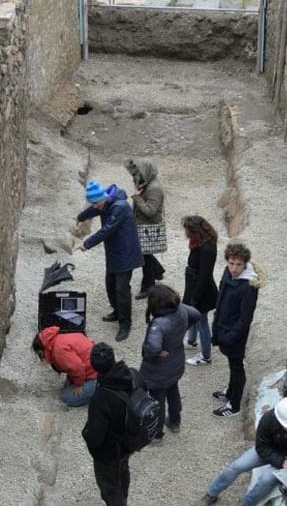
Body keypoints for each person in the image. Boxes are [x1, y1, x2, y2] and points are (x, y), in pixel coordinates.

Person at [198, 396, 287, 506]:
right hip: (269, 450)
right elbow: (261, 447)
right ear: (279, 418)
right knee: (237, 466)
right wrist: (282, 462)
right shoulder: (268, 419)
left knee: (266, 479)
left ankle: (248, 504)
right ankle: (212, 494)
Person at [76, 181, 144, 342]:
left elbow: (106, 230)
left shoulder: (119, 207)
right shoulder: (106, 202)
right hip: (114, 252)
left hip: (125, 253)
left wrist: (86, 244)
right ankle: (117, 311)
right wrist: (80, 217)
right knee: (110, 284)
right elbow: (94, 209)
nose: (96, 206)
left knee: (122, 289)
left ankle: (125, 323)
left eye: (96, 203)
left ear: (102, 198)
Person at [83, 343, 142, 506]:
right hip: (128, 442)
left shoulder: (101, 398)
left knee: (110, 487)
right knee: (123, 472)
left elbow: (95, 436)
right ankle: (124, 498)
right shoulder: (133, 375)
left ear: (94, 366)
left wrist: (85, 434)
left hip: (109, 452)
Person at [140, 284, 200, 442]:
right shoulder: (180, 309)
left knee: (157, 400)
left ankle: (156, 434)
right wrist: (182, 332)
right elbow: (196, 314)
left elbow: (152, 348)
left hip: (158, 371)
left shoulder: (159, 324)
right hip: (176, 362)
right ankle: (175, 421)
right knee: (173, 391)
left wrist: (158, 352)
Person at [210, 242, 263, 417]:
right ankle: (230, 391)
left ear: (245, 264)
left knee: (237, 366)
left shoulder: (248, 287)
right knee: (232, 365)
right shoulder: (228, 273)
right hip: (223, 328)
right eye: (231, 263)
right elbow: (221, 298)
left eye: (238, 264)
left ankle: (234, 404)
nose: (234, 268)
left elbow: (245, 318)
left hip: (234, 334)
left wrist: (231, 336)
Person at [125, 158, 166, 299]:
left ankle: (148, 286)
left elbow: (150, 211)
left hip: (148, 227)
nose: (135, 177)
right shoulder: (145, 182)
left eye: (138, 173)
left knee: (144, 257)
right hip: (141, 225)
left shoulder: (154, 189)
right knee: (144, 254)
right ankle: (158, 270)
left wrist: (137, 197)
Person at [181, 215, 218, 367]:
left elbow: (204, 276)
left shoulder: (206, 249)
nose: (186, 234)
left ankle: (206, 356)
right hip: (194, 286)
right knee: (194, 316)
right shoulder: (201, 243)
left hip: (201, 291)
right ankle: (191, 341)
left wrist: (195, 298)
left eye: (188, 231)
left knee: (202, 321)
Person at [32, 326, 99, 407]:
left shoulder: (58, 351)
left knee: (67, 398)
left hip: (97, 375)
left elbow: (78, 367)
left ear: (41, 351)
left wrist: (79, 385)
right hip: (95, 366)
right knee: (66, 389)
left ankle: (100, 391)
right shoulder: (60, 338)